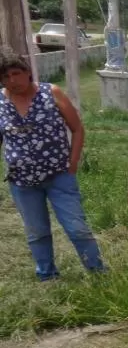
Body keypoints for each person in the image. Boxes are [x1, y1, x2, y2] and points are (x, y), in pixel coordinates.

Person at [0, 47, 105, 281]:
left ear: (27, 72)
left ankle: (98, 273)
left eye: (16, 73)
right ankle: (47, 276)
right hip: (22, 181)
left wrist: (73, 162)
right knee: (36, 232)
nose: (11, 80)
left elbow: (77, 128)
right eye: (5, 77)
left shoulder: (51, 93)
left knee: (76, 227)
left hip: (59, 175)